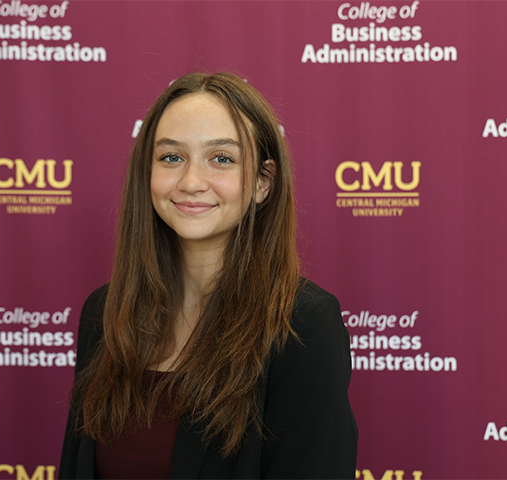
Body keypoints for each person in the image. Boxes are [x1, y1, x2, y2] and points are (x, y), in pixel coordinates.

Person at [59, 72, 357, 479]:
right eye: (171, 157)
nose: (191, 182)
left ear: (263, 183)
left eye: (222, 159)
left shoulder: (303, 325)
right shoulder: (104, 312)